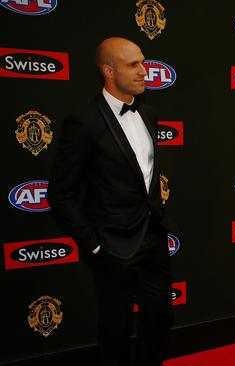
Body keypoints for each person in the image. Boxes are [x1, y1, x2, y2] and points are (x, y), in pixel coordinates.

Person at [48, 37, 175, 366]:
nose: (144, 71)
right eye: (133, 65)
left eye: (143, 63)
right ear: (108, 70)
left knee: (159, 320)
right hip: (112, 246)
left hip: (152, 236)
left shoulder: (148, 114)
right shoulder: (85, 122)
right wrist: (92, 245)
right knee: (115, 328)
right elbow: (61, 192)